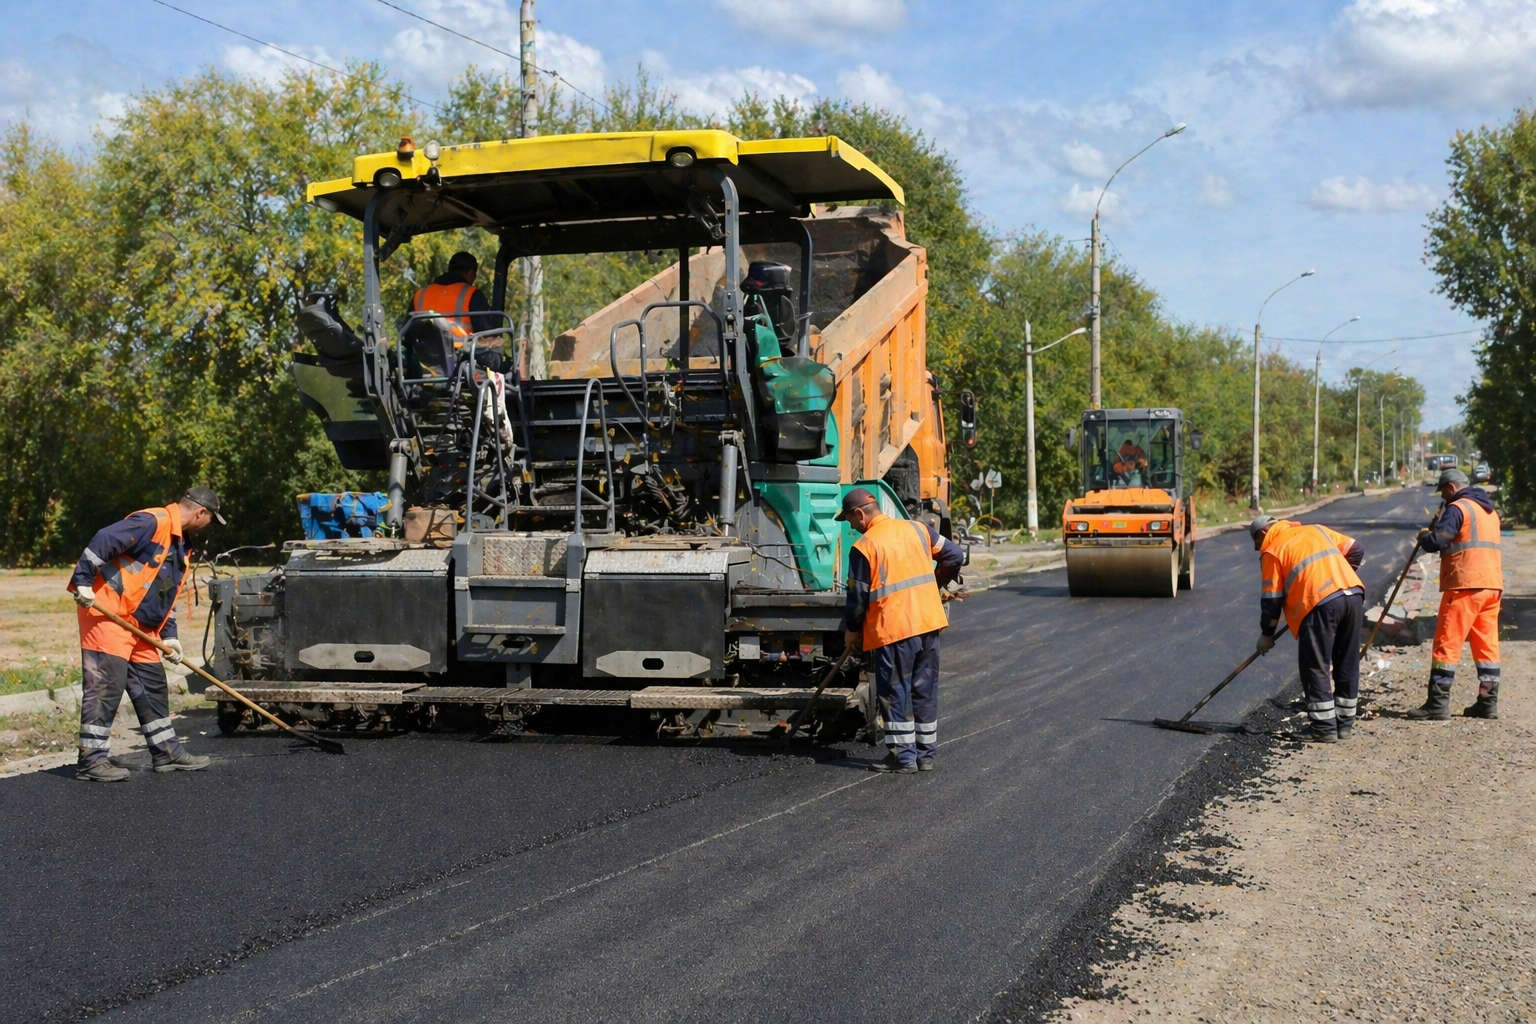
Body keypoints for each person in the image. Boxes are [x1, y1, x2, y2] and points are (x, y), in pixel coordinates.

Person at [67, 488, 223, 781]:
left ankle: (166, 752)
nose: (209, 525)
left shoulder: (181, 545)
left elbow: (165, 593)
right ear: (201, 512)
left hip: (141, 627)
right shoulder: (153, 522)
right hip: (108, 614)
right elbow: (104, 538)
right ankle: (92, 759)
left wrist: (169, 635)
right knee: (107, 686)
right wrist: (83, 581)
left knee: (152, 685)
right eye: (211, 519)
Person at [838, 488, 966, 773]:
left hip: (895, 629)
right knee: (924, 689)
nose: (852, 527)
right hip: (928, 623)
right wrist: (937, 581)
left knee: (895, 692)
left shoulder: (864, 546)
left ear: (860, 513)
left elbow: (857, 597)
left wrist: (852, 630)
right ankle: (926, 755)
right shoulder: (918, 529)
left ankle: (903, 757)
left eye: (850, 520)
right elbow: (955, 555)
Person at [1251, 515, 1367, 743]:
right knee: (1347, 660)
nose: (1258, 549)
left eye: (1257, 543)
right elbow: (1356, 549)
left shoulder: (1272, 550)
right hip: (1353, 594)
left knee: (1315, 665)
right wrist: (1339, 578)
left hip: (1319, 602)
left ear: (1264, 533)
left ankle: (1324, 728)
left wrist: (1267, 634)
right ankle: (1344, 724)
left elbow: (1272, 599)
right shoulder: (1316, 529)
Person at [1407, 467, 1503, 720]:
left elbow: (1437, 541)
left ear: (1451, 488)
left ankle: (1437, 704)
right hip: (1492, 586)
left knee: (1446, 644)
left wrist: (1424, 535)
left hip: (1464, 585)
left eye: (1443, 492)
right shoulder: (1489, 511)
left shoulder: (1458, 508)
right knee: (1487, 646)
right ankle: (1488, 703)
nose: (1443, 497)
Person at [410, 251, 516, 374]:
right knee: (496, 356)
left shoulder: (420, 295)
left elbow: (407, 331)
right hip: (459, 360)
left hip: (423, 359)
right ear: (471, 273)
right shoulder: (471, 294)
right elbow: (488, 331)